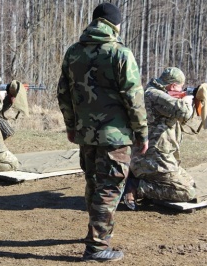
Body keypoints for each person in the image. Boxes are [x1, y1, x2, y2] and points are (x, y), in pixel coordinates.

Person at [57, 3, 148, 262]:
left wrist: (72, 126)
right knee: (109, 189)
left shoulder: (74, 52)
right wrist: (142, 133)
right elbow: (133, 98)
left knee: (94, 183)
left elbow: (63, 93)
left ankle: (94, 234)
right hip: (115, 137)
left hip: (86, 133)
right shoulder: (120, 53)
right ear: (115, 25)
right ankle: (97, 246)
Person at [124, 67, 196, 209]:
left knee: (190, 181)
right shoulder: (155, 95)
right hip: (152, 157)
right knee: (187, 192)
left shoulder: (153, 92)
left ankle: (138, 179)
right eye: (180, 87)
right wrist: (188, 100)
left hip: (154, 154)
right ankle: (137, 188)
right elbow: (184, 112)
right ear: (173, 86)